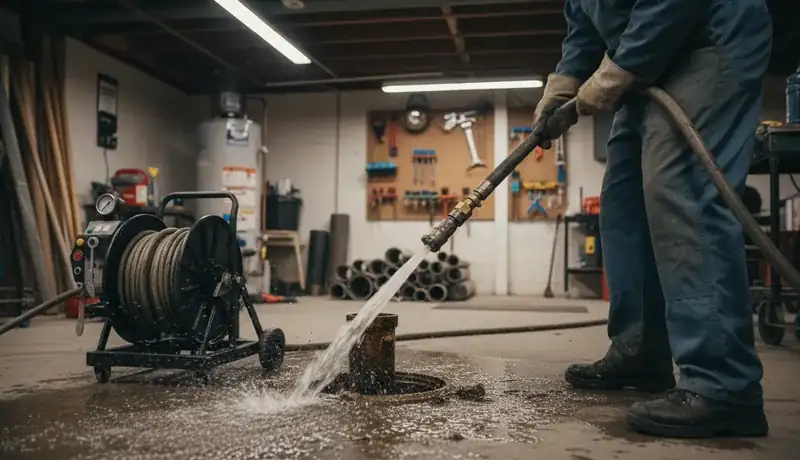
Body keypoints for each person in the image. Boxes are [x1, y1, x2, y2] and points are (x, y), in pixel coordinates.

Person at [533, 0, 773, 439]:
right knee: (624, 202)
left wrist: (619, 67)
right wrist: (565, 80)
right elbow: (585, 21)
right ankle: (641, 351)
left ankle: (722, 385)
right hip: (645, 56)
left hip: (708, 39)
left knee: (681, 191)